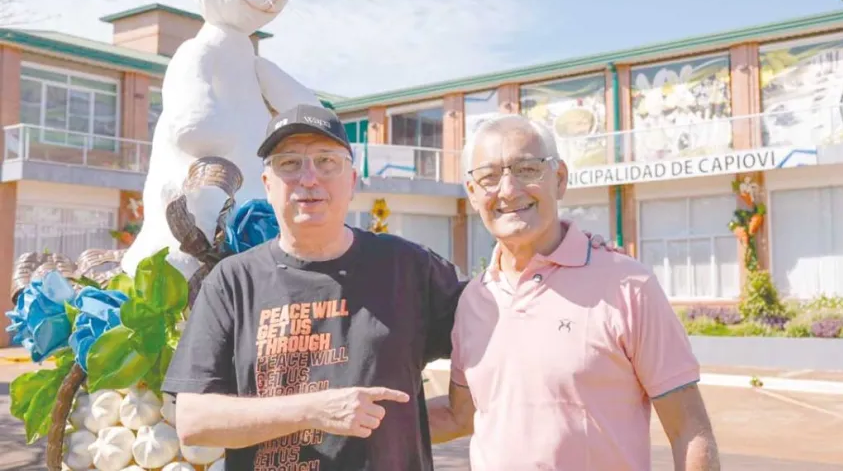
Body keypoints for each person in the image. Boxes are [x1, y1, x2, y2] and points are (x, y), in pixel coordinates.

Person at [162, 104, 617, 471]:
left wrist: (570, 252)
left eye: (326, 162)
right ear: (267, 184)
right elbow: (194, 421)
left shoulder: (409, 268)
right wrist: (315, 412)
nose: (308, 178)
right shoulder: (233, 282)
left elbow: (508, 323)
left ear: (352, 181)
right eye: (289, 164)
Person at [427, 114, 721, 471]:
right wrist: (348, 422)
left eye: (527, 169)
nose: (508, 190)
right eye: (489, 177)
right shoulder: (475, 300)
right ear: (472, 194)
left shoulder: (627, 285)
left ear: (560, 179)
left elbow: (688, 429)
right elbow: (461, 415)